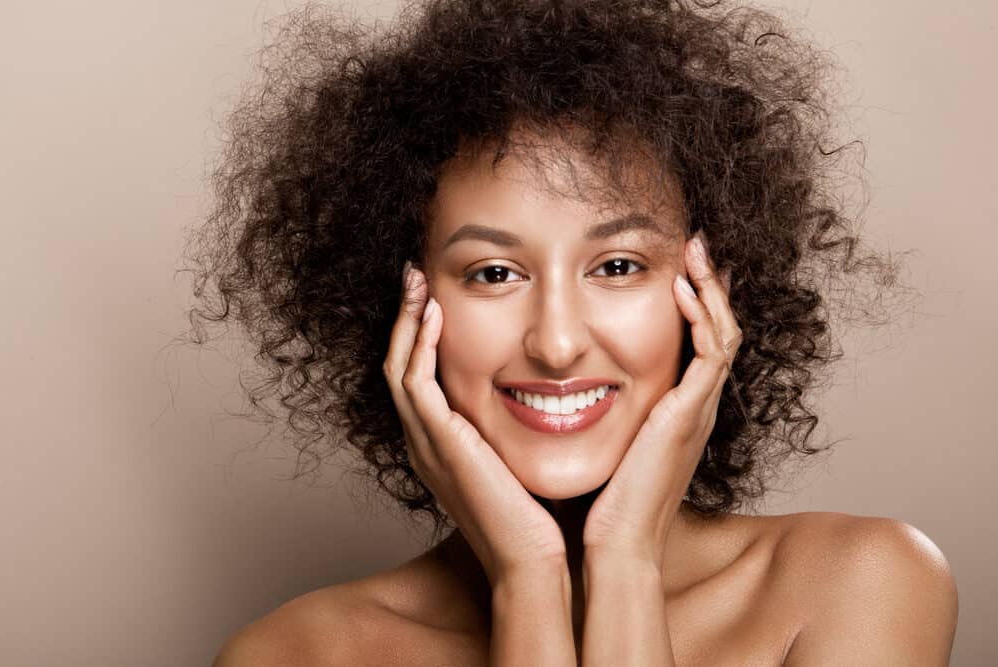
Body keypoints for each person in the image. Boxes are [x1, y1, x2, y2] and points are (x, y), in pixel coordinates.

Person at [189, 0, 959, 663]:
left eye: (618, 266)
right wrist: (528, 578)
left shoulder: (858, 585)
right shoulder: (296, 654)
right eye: (494, 273)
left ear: (712, 291)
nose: (556, 345)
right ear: (401, 307)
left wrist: (626, 560)